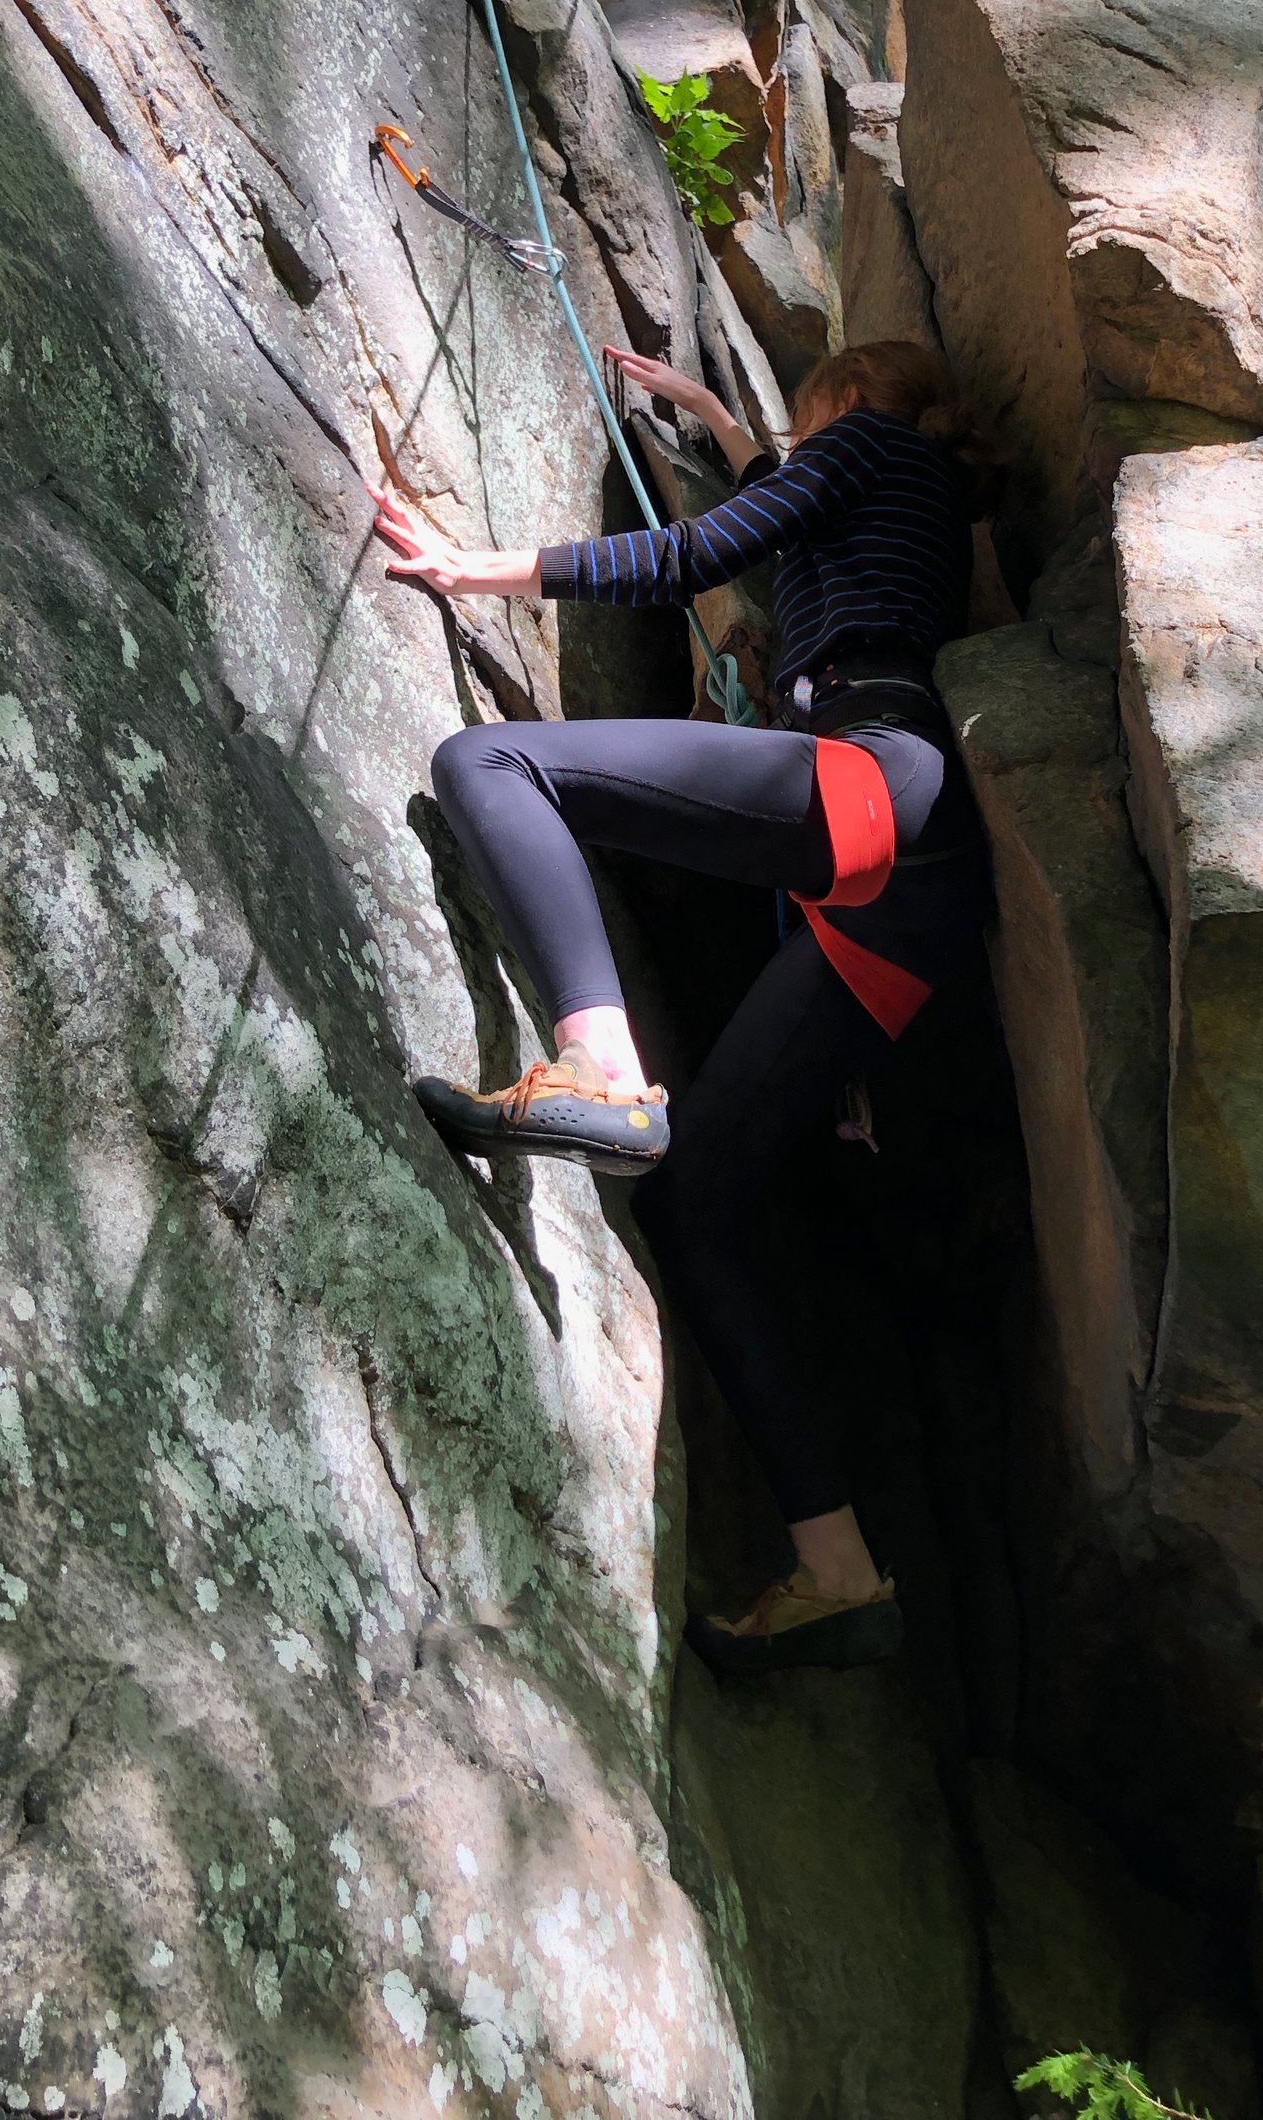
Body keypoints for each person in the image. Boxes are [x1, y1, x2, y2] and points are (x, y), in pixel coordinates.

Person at [375, 338, 999, 1676]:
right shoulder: (913, 492)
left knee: (491, 764)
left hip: (867, 786)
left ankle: (598, 1067)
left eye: (804, 419)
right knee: (690, 1202)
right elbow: (785, 505)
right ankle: (841, 1570)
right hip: (915, 886)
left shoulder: (864, 448)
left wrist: (479, 567)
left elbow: (703, 551)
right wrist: (714, 413)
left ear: (845, 402)